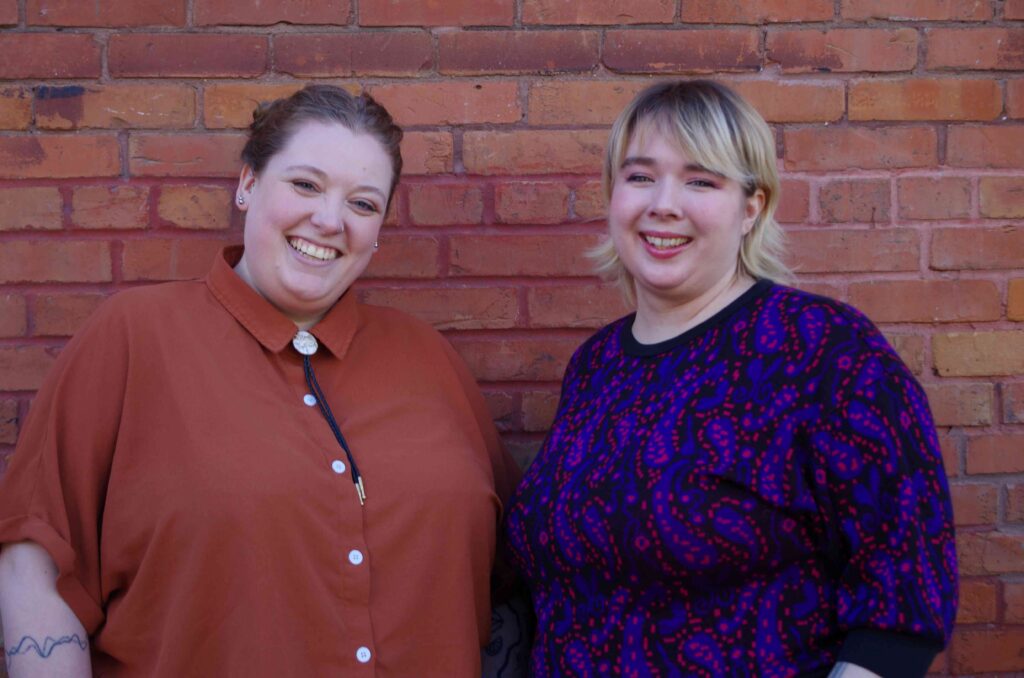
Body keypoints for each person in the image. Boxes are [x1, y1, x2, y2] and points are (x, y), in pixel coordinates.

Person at [0, 85, 521, 677]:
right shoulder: (135, 337)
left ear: (379, 229)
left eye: (363, 203)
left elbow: (507, 581)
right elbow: (33, 560)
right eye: (305, 185)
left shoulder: (428, 361)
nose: (329, 221)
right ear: (247, 185)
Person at [502, 80, 957, 677]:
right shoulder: (596, 365)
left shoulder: (824, 351)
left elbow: (904, 587)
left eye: (700, 180)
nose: (663, 204)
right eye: (640, 176)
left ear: (752, 208)